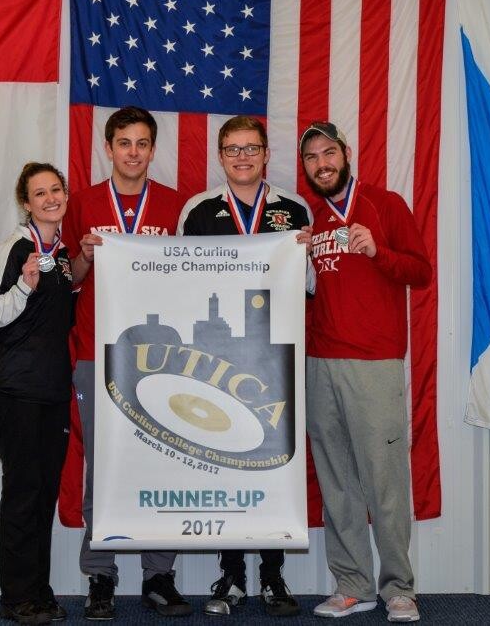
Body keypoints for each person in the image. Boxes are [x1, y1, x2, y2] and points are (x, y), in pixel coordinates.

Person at [178, 115, 312, 618]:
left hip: (276, 354)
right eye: (232, 149)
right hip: (217, 356)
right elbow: (177, 281)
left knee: (272, 463)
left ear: (265, 154)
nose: (242, 157)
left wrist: (301, 257)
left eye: (250, 148)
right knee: (224, 459)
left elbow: (311, 285)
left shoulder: (292, 209)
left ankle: (273, 574)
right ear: (220, 156)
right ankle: (231, 573)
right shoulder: (199, 209)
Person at [299, 122, 432, 623]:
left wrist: (379, 252)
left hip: (374, 361)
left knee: (385, 481)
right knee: (337, 481)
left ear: (346, 154)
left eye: (328, 152)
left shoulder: (384, 204)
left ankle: (399, 587)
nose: (321, 163)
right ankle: (352, 584)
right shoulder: (308, 218)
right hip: (319, 362)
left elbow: (421, 273)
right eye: (312, 157)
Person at [63, 106, 191, 620]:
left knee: (161, 464)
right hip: (97, 355)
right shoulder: (83, 203)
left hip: (160, 360)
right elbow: (68, 279)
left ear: (153, 150)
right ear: (109, 147)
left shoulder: (177, 205)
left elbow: (195, 277)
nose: (133, 152)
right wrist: (87, 257)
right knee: (104, 469)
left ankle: (159, 574)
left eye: (142, 143)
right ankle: (101, 576)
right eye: (124, 142)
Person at [0, 162, 75, 624]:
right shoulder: (14, 250)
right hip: (16, 389)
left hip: (52, 388)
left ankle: (38, 589)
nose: (50, 198)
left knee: (43, 494)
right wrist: (23, 284)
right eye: (40, 193)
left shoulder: (60, 251)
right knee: (22, 491)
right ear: (26, 202)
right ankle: (16, 597)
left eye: (56, 189)